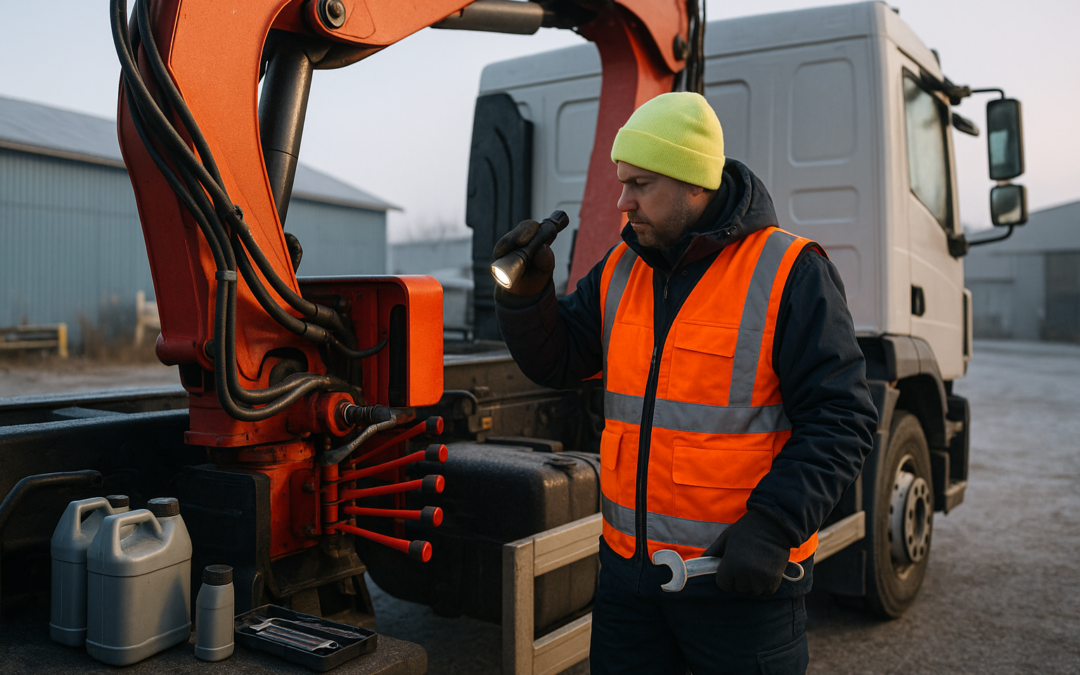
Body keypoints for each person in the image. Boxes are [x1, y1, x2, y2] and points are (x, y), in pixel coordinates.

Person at [493, 92, 877, 674]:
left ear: (695, 183)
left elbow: (842, 418)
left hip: (738, 583)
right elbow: (559, 360)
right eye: (622, 183)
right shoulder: (621, 270)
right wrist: (526, 299)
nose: (623, 202)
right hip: (630, 583)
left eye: (641, 184)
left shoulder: (790, 272)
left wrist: (773, 527)